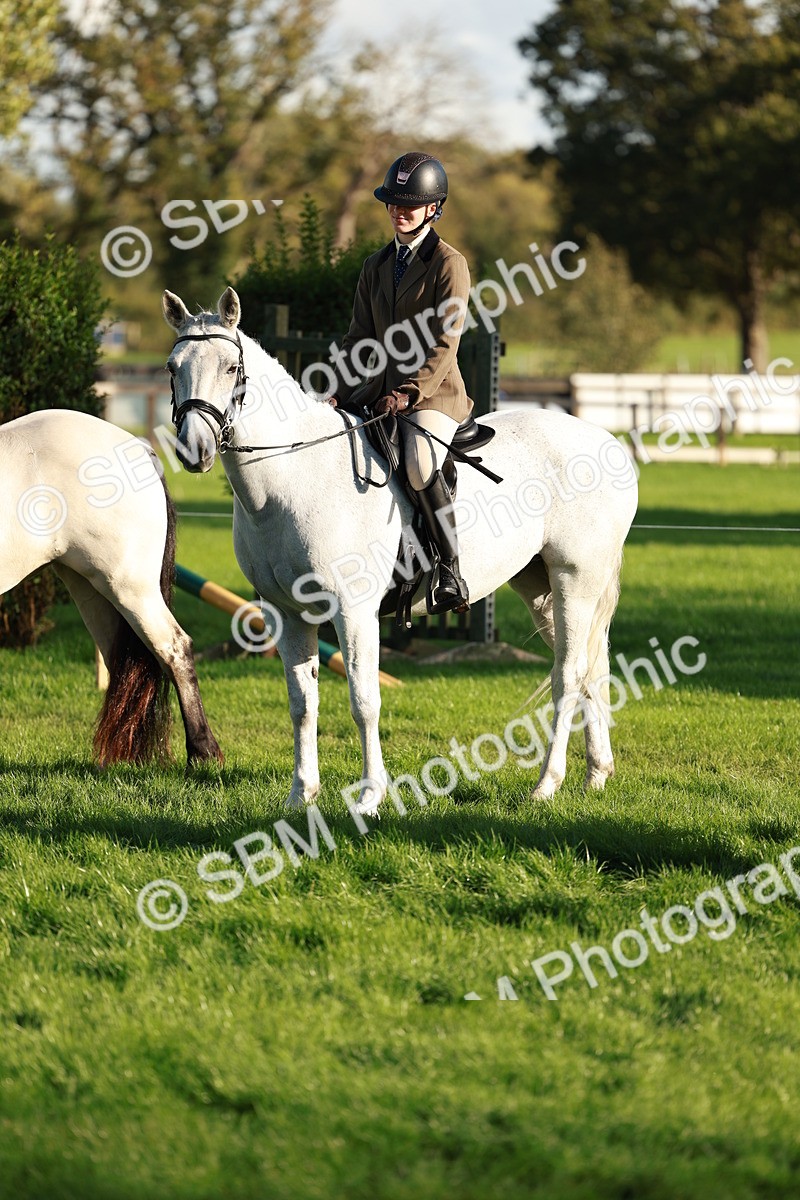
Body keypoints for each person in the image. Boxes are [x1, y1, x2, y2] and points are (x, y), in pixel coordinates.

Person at [327, 151, 473, 614]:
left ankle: (449, 568)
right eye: (392, 202)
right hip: (380, 394)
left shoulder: (450, 264)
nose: (398, 210)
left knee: (417, 460)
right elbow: (358, 339)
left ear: (433, 208)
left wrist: (409, 391)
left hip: (434, 395)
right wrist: (339, 390)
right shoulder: (375, 265)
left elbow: (444, 343)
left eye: (409, 204)